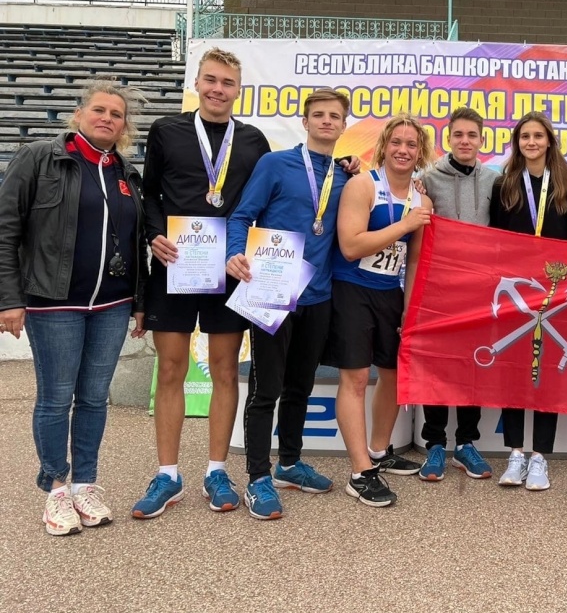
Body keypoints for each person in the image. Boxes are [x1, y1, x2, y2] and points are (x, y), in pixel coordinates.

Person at [0, 79, 148, 536]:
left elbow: (137, 242)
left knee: (93, 398)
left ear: (124, 126)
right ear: (80, 114)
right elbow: (6, 230)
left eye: (116, 114)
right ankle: (56, 488)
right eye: (99, 109)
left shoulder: (126, 173)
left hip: (112, 305)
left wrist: (140, 302)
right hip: (53, 303)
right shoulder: (39, 158)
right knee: (55, 397)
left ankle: (85, 483)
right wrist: (9, 299)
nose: (107, 118)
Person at [133, 47, 271, 519]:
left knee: (225, 370)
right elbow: (149, 192)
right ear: (196, 82)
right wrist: (153, 234)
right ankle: (167, 475)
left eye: (227, 83)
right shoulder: (167, 130)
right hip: (175, 262)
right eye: (210, 80)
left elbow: (269, 195)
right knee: (171, 369)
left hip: (227, 268)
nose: (217, 89)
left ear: (239, 90)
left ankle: (217, 470)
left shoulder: (253, 140)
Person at [225, 88, 352, 520]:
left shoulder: (346, 175)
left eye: (334, 116)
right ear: (306, 121)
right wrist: (235, 252)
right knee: (266, 389)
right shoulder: (275, 164)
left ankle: (289, 464)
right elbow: (242, 215)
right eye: (319, 114)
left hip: (319, 294)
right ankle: (257, 478)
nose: (326, 121)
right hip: (273, 291)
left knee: (301, 387)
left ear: (344, 125)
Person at [331, 114, 435, 507]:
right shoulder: (363, 185)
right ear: (384, 147)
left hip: (391, 292)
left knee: (392, 374)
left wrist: (410, 309)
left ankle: (378, 451)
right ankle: (360, 472)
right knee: (356, 378)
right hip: (352, 290)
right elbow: (350, 246)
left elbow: (414, 259)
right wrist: (404, 225)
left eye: (411, 144)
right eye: (396, 142)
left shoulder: (422, 200)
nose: (403, 150)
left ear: (420, 152)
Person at [489, 112, 567, 491]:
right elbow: (494, 239)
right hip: (517, 291)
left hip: (556, 290)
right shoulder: (505, 183)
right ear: (517, 142)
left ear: (549, 141)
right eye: (525, 136)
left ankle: (540, 457)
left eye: (538, 136)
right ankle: (515, 454)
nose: (532, 142)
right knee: (513, 371)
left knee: (546, 374)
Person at [416, 107, 498, 482]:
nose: (465, 141)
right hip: (439, 289)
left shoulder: (495, 180)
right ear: (448, 139)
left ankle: (466, 443)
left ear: (482, 140)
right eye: (459, 135)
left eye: (472, 135)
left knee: (473, 365)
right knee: (437, 365)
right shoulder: (427, 180)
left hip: (480, 291)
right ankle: (434, 443)